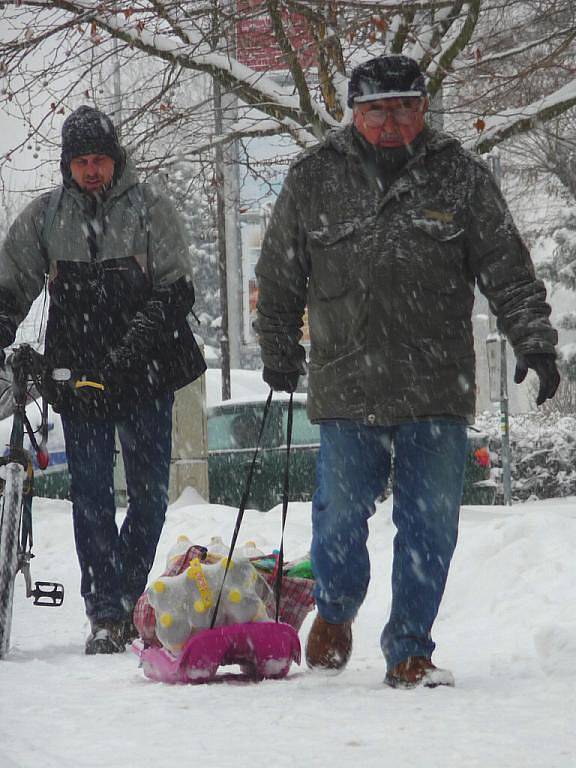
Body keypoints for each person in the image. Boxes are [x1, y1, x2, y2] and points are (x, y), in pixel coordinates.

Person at [254, 55, 560, 688]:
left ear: (424, 109)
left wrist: (532, 339)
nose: (391, 122)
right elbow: (281, 279)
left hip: (435, 385)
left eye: (404, 108)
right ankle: (336, 608)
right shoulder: (313, 179)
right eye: (377, 111)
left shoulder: (461, 177)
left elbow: (507, 268)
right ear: (354, 113)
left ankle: (409, 648)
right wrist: (278, 347)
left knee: (428, 525)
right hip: (346, 384)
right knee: (337, 520)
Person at [0, 105, 206, 655]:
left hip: (148, 368)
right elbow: (11, 285)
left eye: (100, 160)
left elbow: (176, 287)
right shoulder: (45, 218)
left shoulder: (150, 209)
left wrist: (133, 348)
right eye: (81, 162)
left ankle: (129, 589)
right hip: (80, 372)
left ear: (116, 160)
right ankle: (105, 611)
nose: (92, 171)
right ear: (69, 167)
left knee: (149, 497)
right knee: (90, 496)